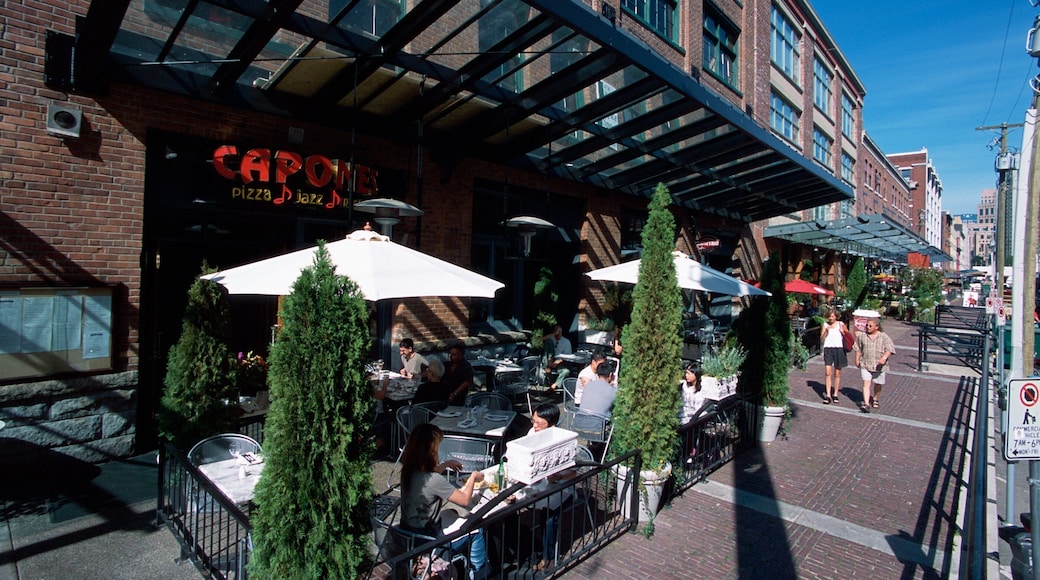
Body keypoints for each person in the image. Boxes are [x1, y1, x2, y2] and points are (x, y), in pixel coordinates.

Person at [399, 423, 489, 579]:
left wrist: (445, 465)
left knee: (451, 512)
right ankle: (480, 573)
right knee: (477, 530)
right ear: (430, 450)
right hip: (429, 541)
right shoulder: (434, 480)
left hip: (410, 534)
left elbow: (430, 472)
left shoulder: (408, 469)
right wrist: (473, 477)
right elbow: (465, 500)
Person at [525, 403, 576, 571]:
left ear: (552, 423)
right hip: (536, 485)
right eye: (533, 421)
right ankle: (526, 550)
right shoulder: (532, 433)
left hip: (560, 487)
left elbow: (574, 472)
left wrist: (559, 475)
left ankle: (549, 557)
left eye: (539, 423)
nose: (534, 426)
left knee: (548, 517)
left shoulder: (563, 440)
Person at [853, 318, 895, 413]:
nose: (868, 327)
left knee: (878, 383)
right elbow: (858, 348)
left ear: (876, 327)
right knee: (866, 383)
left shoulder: (883, 336)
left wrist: (884, 358)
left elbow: (890, 349)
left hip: (879, 365)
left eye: (870, 326)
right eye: (867, 325)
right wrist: (857, 359)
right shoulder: (862, 336)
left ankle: (875, 398)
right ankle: (866, 403)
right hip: (865, 363)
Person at [819, 308, 850, 405]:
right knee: (828, 372)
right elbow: (821, 339)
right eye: (829, 316)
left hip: (839, 349)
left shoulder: (841, 324)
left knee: (837, 373)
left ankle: (835, 394)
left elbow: (848, 335)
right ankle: (828, 395)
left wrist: (843, 332)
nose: (831, 318)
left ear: (836, 316)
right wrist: (826, 332)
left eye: (832, 316)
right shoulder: (825, 325)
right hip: (828, 349)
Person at [541, 325, 573, 391]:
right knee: (548, 342)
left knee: (566, 371)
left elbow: (567, 356)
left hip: (560, 362)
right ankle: (548, 368)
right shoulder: (550, 339)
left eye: (560, 332)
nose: (558, 333)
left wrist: (558, 361)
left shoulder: (566, 342)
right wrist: (554, 334)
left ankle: (554, 386)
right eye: (557, 331)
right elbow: (541, 339)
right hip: (548, 361)